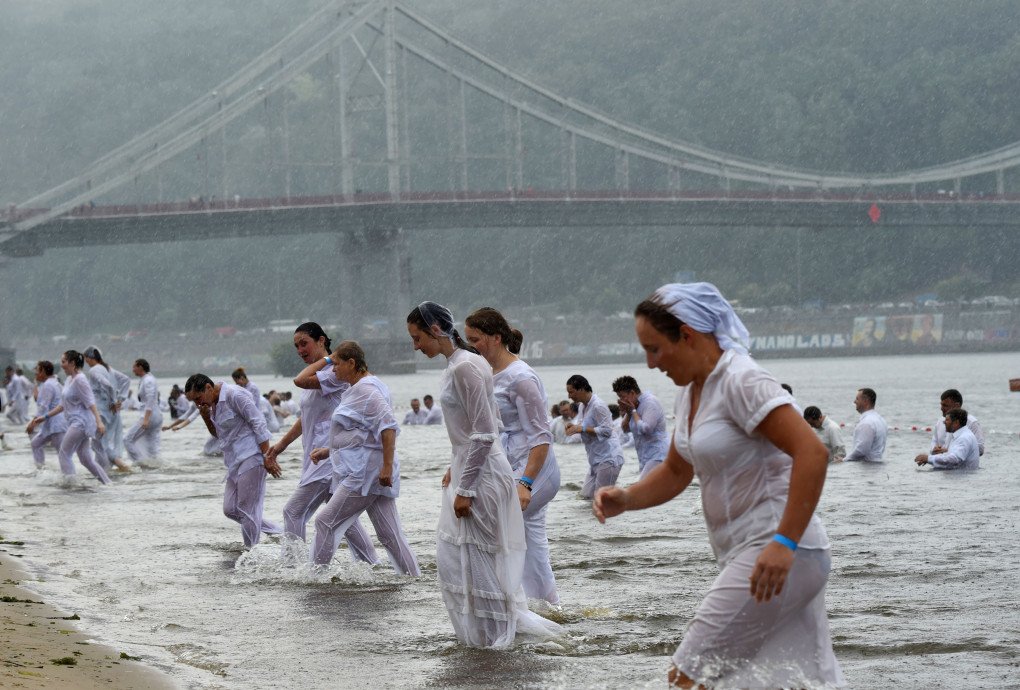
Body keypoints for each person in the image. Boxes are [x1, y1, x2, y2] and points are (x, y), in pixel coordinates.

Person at [593, 282, 843, 689]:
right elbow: (677, 471)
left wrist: (784, 543)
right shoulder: (691, 392)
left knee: (688, 675)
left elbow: (812, 453)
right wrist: (627, 497)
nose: (651, 364)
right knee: (788, 681)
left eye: (655, 348)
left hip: (780, 549)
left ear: (688, 335)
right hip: (751, 552)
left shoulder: (741, 380)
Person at [407, 301, 560, 648]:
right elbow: (482, 426)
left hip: (483, 476)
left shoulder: (465, 367)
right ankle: (487, 639)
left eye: (417, 338)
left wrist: (466, 486)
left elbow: (486, 432)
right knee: (461, 561)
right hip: (473, 468)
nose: (416, 346)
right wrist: (455, 466)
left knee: (477, 563)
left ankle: (495, 645)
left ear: (434, 330)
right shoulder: (462, 365)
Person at [464, 306, 561, 604]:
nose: (472, 346)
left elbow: (542, 437)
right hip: (508, 464)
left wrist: (526, 483)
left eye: (476, 339)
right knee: (532, 542)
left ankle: (503, 603)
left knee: (496, 528)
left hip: (535, 468)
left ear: (495, 338)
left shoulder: (521, 377)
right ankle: (546, 608)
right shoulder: (487, 372)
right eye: (468, 340)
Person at [266, 323, 377, 564]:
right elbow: (306, 419)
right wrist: (280, 446)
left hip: (329, 455)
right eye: (296, 345)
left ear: (321, 341)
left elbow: (299, 380)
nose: (299, 349)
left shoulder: (332, 374)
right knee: (343, 519)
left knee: (293, 511)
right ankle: (372, 564)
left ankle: (292, 566)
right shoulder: (320, 375)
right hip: (319, 454)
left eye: (303, 343)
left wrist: (329, 359)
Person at [307, 341, 419, 574]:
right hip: (371, 471)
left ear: (352, 363)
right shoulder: (360, 388)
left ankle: (316, 577)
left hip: (365, 474)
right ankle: (413, 579)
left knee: (324, 521)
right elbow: (362, 434)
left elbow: (388, 426)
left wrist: (386, 467)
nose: (333, 370)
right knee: (389, 535)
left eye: (336, 364)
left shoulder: (367, 390)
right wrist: (328, 450)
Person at [184, 373, 283, 547]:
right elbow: (217, 434)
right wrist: (206, 415)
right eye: (194, 401)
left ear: (208, 387)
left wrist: (268, 456)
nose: (198, 404)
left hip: (252, 454)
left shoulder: (234, 395)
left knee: (247, 508)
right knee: (230, 509)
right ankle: (280, 532)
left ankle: (251, 552)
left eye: (198, 398)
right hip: (234, 460)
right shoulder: (211, 405)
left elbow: (258, 422)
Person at [27, 350, 111, 485]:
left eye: (63, 362)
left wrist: (99, 422)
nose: (61, 365)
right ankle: (108, 483)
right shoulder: (69, 379)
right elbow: (62, 405)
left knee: (64, 453)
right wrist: (44, 417)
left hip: (81, 422)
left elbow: (91, 402)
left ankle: (71, 485)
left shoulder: (80, 379)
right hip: (76, 422)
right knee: (85, 459)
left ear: (72, 363)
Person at [565, 374, 624, 498]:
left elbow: (607, 430)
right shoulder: (582, 406)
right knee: (585, 497)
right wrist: (573, 427)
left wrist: (582, 428)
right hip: (595, 459)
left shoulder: (598, 405)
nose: (569, 396)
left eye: (571, 392)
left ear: (581, 389)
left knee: (601, 499)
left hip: (609, 457)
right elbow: (582, 426)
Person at [83, 348, 130, 472]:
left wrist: (114, 401)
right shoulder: (107, 368)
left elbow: (107, 385)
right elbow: (126, 380)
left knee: (98, 444)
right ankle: (105, 471)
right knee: (102, 443)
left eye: (85, 358)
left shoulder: (94, 370)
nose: (85, 361)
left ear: (89, 357)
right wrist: (120, 399)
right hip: (112, 412)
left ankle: (123, 466)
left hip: (102, 412)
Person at [613, 375, 669, 479]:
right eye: (619, 397)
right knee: (653, 493)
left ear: (632, 393)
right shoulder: (632, 406)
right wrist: (629, 413)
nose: (621, 400)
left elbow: (646, 429)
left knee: (642, 489)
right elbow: (625, 429)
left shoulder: (650, 402)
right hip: (644, 456)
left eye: (622, 396)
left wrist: (633, 412)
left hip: (658, 454)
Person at [27, 360, 67, 470]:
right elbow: (38, 400)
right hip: (51, 425)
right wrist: (35, 384)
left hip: (57, 425)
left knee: (62, 454)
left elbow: (43, 407)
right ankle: (41, 470)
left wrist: (32, 423)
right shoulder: (55, 383)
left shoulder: (48, 385)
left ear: (43, 371)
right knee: (35, 443)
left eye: (37, 371)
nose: (35, 373)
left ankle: (69, 479)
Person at [124, 359, 162, 463]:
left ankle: (141, 463)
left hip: (150, 416)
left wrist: (146, 419)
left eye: (134, 367)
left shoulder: (148, 380)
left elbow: (150, 399)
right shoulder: (148, 378)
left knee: (127, 439)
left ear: (140, 367)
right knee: (151, 446)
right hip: (155, 415)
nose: (132, 370)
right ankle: (154, 465)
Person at [915, 409, 980, 470]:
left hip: (963, 479)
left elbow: (954, 459)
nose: (944, 422)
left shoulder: (964, 438)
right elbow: (953, 457)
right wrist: (930, 459)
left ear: (956, 422)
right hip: (960, 478)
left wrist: (929, 458)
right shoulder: (960, 435)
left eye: (947, 420)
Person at [930, 389, 985, 457]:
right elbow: (934, 442)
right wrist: (934, 449)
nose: (941, 408)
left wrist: (951, 452)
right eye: (941, 405)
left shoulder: (972, 422)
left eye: (945, 405)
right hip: (941, 465)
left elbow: (980, 449)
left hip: (962, 466)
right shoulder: (940, 422)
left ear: (957, 406)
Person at [846, 387, 886, 463]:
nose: (854, 402)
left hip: (866, 469)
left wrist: (844, 460)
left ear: (865, 401)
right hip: (878, 465)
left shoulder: (867, 422)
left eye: (857, 399)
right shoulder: (880, 419)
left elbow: (861, 451)